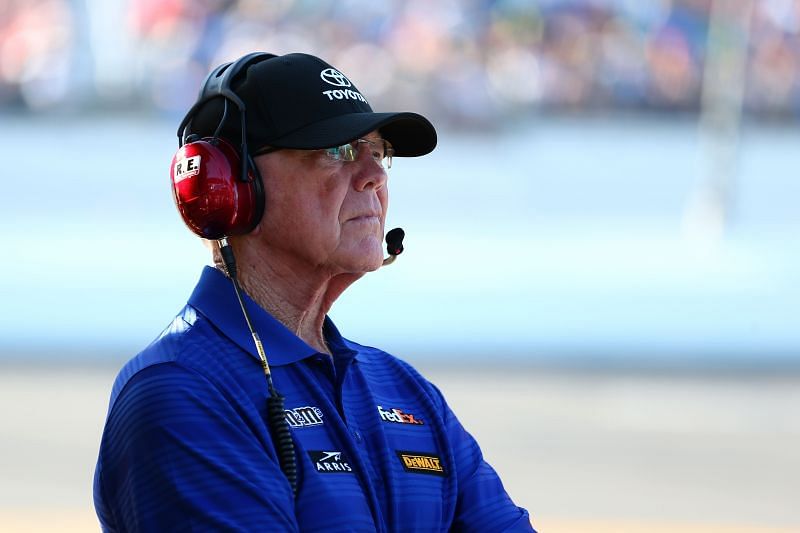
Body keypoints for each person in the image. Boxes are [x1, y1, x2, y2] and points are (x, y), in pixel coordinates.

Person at [93, 52, 535, 532]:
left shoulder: (404, 388)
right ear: (232, 187)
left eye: (378, 150)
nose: (376, 175)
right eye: (339, 151)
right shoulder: (180, 391)